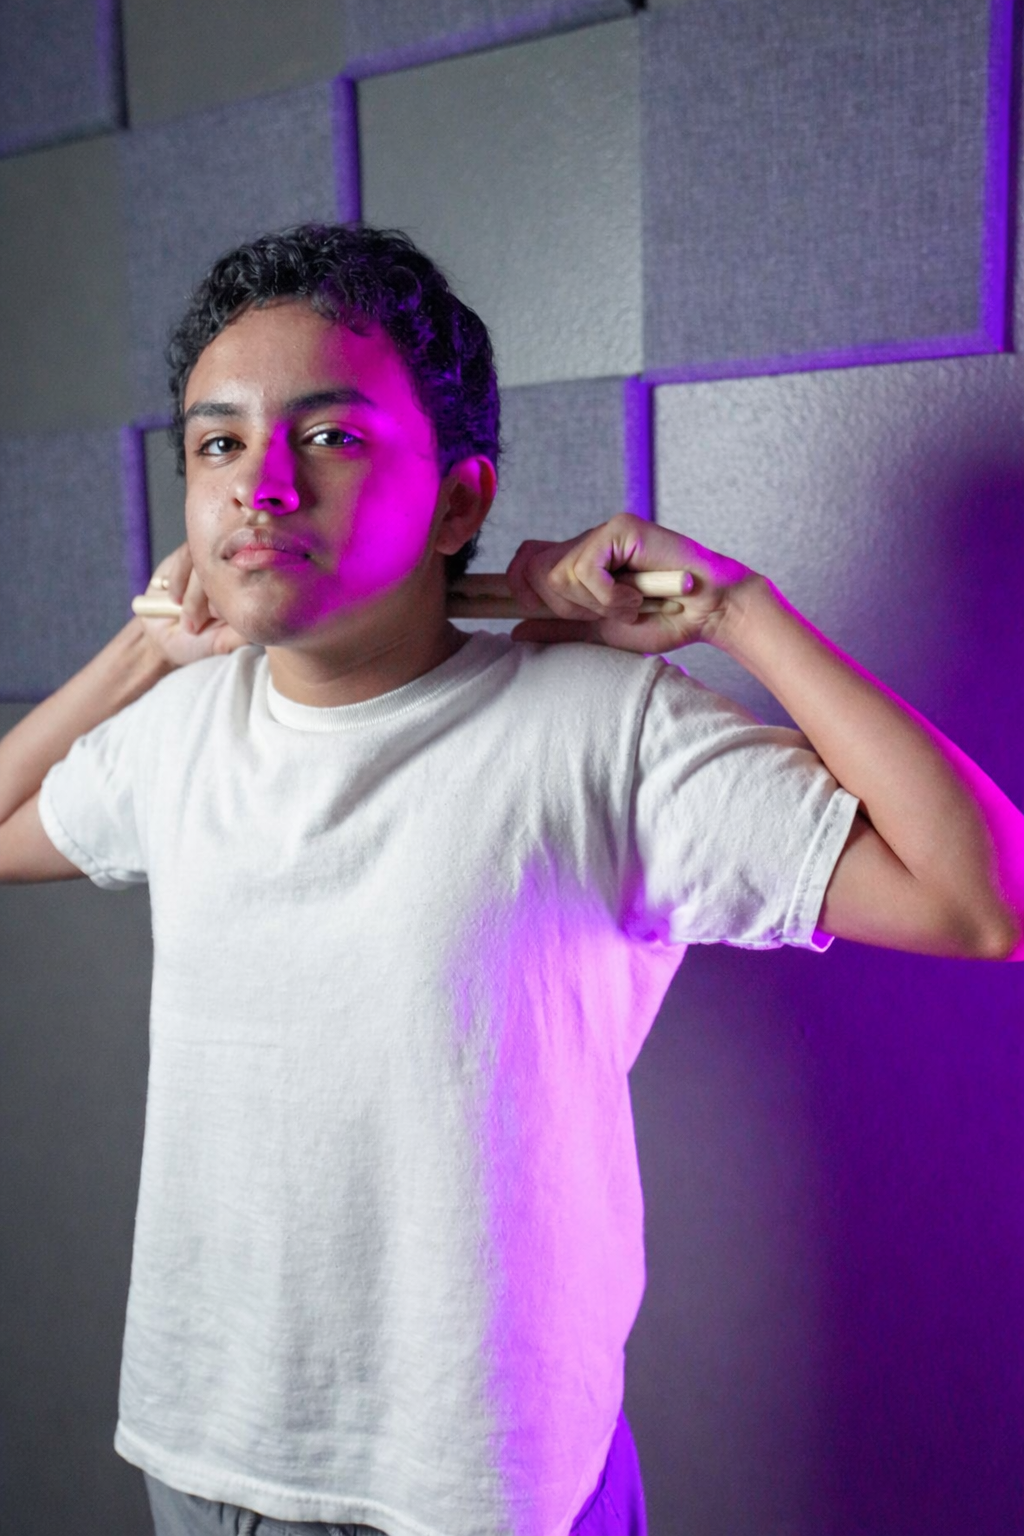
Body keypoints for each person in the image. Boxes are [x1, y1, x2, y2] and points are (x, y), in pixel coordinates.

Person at [0, 223, 1021, 1536]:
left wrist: (738, 611)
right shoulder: (182, 730)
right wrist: (144, 654)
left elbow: (981, 901)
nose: (260, 485)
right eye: (217, 444)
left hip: (478, 1485)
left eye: (329, 436)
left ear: (460, 499)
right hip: (203, 1451)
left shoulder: (601, 725)